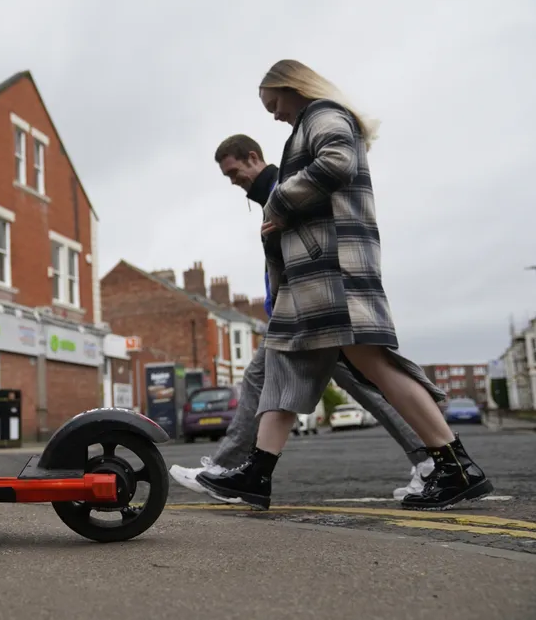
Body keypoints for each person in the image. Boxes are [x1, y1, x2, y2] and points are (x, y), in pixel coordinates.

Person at [194, 59, 494, 511]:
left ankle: (454, 465)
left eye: (274, 104)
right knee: (284, 367)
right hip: (316, 271)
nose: (273, 115)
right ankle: (257, 472)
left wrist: (278, 202)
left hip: (334, 266)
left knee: (375, 366)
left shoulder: (324, 115)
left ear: (293, 88)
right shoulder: (311, 122)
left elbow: (336, 162)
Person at [169, 134, 435, 502]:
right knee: (347, 386)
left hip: (311, 308)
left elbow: (316, 234)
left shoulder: (285, 186)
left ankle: (432, 459)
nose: (234, 181)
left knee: (366, 385)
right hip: (296, 309)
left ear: (252, 157)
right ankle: (430, 459)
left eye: (234, 172)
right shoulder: (269, 195)